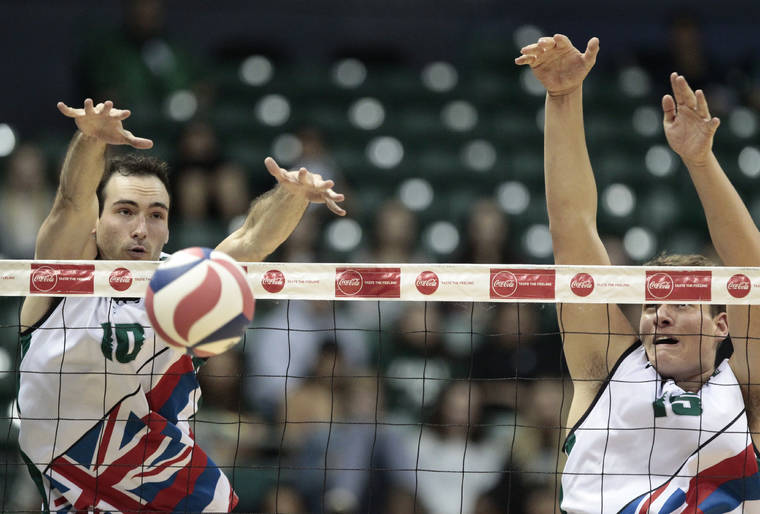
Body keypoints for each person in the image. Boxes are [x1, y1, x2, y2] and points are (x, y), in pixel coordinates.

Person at [16, 98, 345, 512]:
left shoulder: (185, 287)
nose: (141, 228)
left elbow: (251, 239)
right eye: (125, 211)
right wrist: (91, 139)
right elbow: (69, 202)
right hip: (78, 488)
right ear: (95, 222)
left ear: (169, 227)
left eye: (156, 215)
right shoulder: (65, 279)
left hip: (167, 487)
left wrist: (293, 195)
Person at [516, 34, 760, 512]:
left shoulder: (747, 390)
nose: (660, 315)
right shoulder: (607, 369)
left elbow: (751, 273)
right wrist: (563, 97)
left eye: (682, 304)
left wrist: (700, 161)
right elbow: (572, 230)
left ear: (722, 323)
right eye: (651, 305)